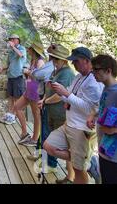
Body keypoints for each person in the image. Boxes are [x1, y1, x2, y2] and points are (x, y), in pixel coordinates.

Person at [44, 47, 103, 184]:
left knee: (78, 169)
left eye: (76, 61)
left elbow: (91, 109)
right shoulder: (79, 76)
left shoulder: (95, 82)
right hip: (69, 124)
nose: (73, 64)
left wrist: (67, 94)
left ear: (87, 61)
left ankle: (85, 163)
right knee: (49, 146)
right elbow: (69, 96)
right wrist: (59, 91)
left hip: (81, 128)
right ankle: (88, 162)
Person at [32, 44, 76, 179]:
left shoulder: (67, 73)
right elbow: (49, 87)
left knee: (62, 142)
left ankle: (69, 173)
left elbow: (60, 95)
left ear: (64, 60)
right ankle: (50, 163)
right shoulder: (55, 71)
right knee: (48, 136)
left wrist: (45, 101)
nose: (54, 61)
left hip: (60, 113)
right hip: (50, 111)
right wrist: (44, 99)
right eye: (53, 58)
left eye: (56, 59)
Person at [87, 54, 117, 184]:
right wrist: (94, 115)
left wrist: (114, 129)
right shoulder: (106, 88)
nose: (93, 73)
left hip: (114, 154)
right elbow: (105, 108)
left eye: (96, 69)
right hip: (103, 147)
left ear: (108, 70)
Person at [14, 41, 45, 147]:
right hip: (29, 88)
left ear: (34, 50)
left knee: (36, 115)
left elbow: (39, 76)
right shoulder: (33, 60)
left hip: (36, 90)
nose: (28, 50)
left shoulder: (40, 62)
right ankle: (24, 132)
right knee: (17, 107)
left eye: (30, 49)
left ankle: (35, 139)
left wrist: (28, 72)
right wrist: (27, 73)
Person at [0, 34, 27, 126]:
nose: (10, 41)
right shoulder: (10, 51)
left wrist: (13, 47)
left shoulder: (21, 48)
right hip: (10, 76)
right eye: (10, 39)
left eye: (12, 39)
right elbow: (9, 64)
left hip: (18, 76)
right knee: (10, 97)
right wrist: (3, 68)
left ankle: (14, 116)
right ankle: (9, 114)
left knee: (17, 97)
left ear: (17, 40)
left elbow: (20, 55)